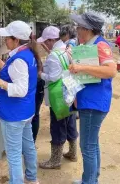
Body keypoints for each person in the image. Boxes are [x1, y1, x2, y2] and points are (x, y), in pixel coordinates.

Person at [0, 20, 41, 184]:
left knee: (14, 153)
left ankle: (17, 181)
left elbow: (20, 89)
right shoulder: (26, 54)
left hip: (14, 113)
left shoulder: (19, 59)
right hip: (25, 111)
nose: (4, 41)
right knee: (28, 146)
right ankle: (31, 178)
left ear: (16, 39)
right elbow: (12, 72)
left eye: (7, 38)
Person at [69, 12, 117, 184]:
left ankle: (89, 182)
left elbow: (111, 71)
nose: (77, 31)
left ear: (87, 29)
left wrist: (81, 67)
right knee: (92, 143)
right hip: (89, 101)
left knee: (87, 146)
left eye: (79, 27)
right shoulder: (90, 44)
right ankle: (91, 179)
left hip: (93, 104)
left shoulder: (100, 45)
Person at [37, 26, 79, 170]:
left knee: (57, 125)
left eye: (46, 41)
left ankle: (55, 160)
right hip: (70, 90)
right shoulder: (68, 49)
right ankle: (73, 153)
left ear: (51, 40)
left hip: (59, 94)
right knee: (70, 121)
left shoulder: (54, 54)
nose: (45, 44)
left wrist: (41, 74)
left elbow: (53, 77)